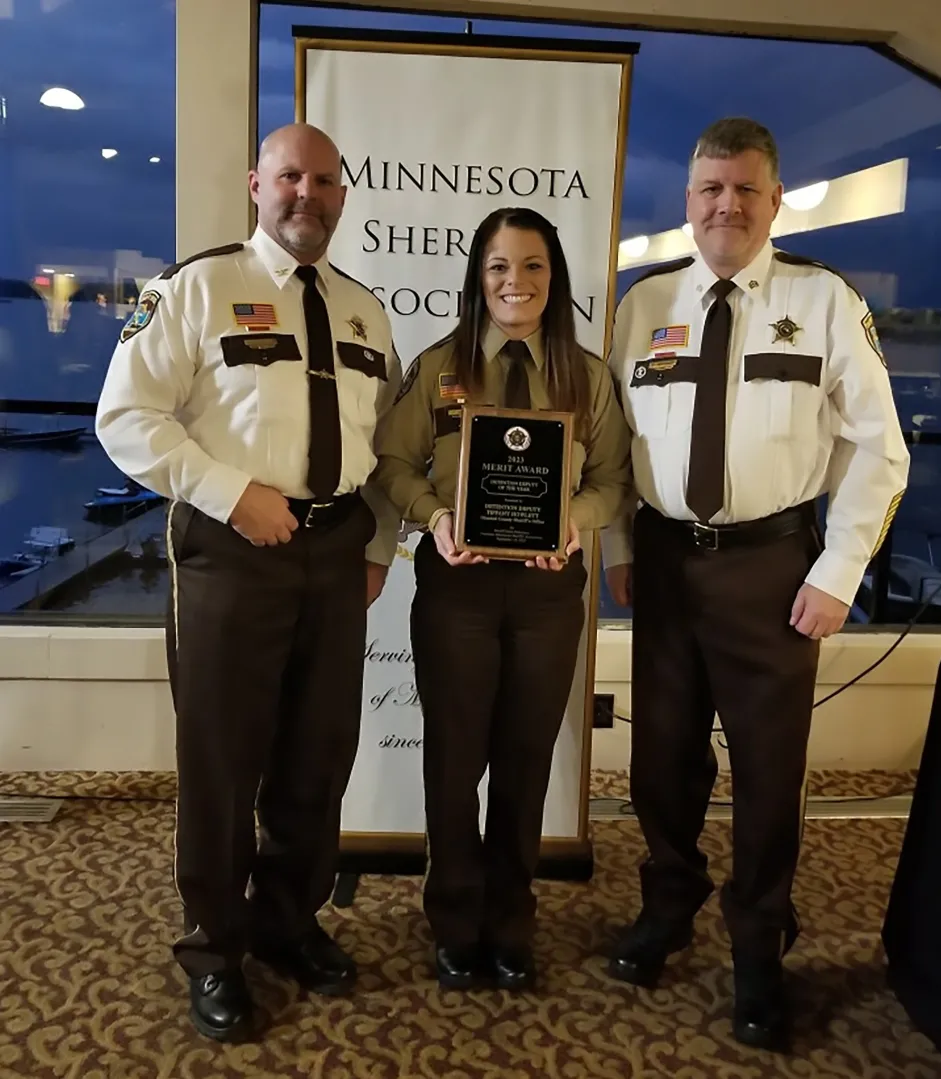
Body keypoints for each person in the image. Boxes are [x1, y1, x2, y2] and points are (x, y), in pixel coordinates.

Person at [601, 117, 909, 1051]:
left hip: (775, 569)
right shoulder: (642, 304)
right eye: (708, 190)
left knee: (769, 774)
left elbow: (880, 450)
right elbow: (615, 440)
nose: (725, 205)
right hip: (661, 558)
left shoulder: (823, 302)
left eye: (743, 189)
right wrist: (618, 544)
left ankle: (758, 945)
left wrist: (837, 572)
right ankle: (669, 903)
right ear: (687, 202)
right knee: (661, 756)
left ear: (775, 199)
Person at [95, 123, 401, 1042]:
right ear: (256, 185)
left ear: (342, 195)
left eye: (323, 180)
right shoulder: (196, 288)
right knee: (225, 763)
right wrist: (233, 494)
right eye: (289, 177)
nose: (306, 193)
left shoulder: (363, 308)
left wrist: (377, 546)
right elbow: (126, 417)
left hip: (335, 552)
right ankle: (215, 945)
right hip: (233, 551)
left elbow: (379, 447)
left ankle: (288, 919)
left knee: (318, 753)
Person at [375, 206, 632, 991]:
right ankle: (455, 918)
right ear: (476, 278)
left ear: (554, 279)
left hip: (549, 596)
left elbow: (612, 482)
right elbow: (391, 463)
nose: (514, 282)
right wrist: (436, 515)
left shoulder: (584, 375)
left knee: (525, 759)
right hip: (457, 588)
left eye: (531, 267)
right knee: (455, 762)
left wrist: (574, 522)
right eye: (497, 267)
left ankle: (511, 920)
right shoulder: (440, 366)